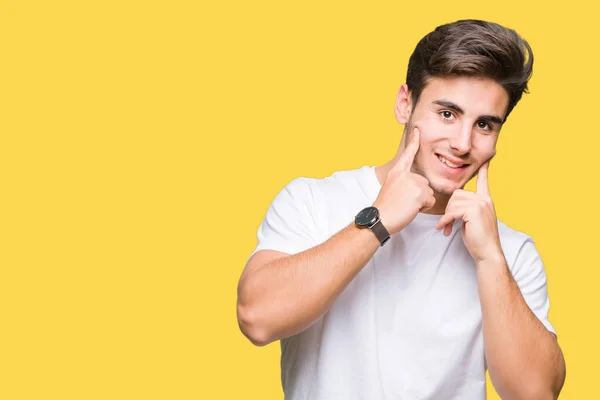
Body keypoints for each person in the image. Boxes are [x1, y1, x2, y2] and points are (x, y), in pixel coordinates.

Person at [236, 19, 566, 400]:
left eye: (485, 125)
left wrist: (491, 258)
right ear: (404, 104)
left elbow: (536, 394)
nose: (462, 143)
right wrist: (378, 221)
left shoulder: (510, 252)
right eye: (447, 114)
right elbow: (257, 319)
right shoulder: (312, 201)